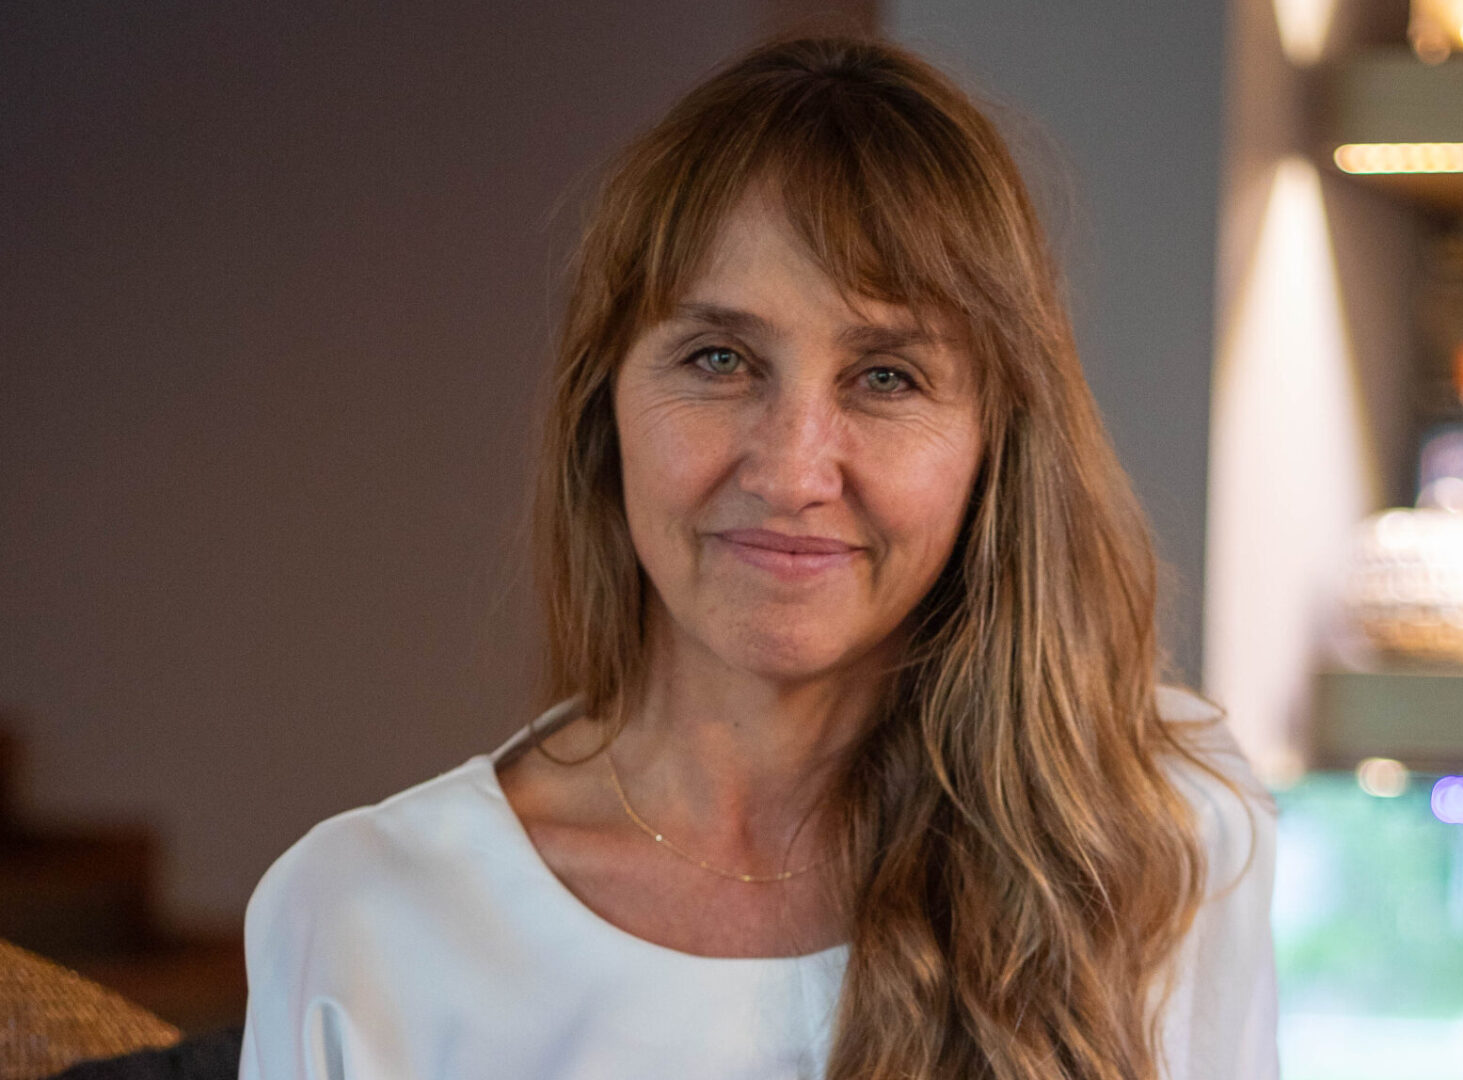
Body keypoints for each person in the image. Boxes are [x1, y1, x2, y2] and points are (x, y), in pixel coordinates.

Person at [238, 35, 1279, 1080]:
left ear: (996, 443)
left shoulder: (1157, 835)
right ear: (604, 408)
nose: (791, 473)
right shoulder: (365, 919)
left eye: (886, 377)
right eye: (720, 359)